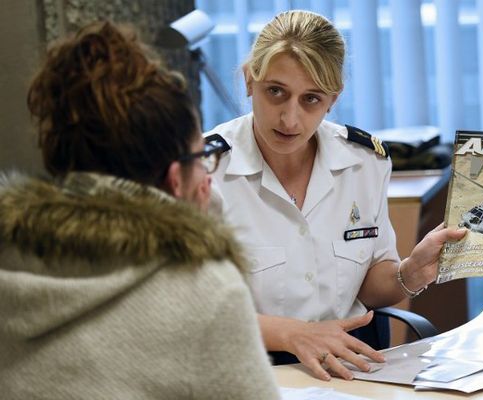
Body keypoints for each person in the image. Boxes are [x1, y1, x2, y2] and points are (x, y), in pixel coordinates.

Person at [0, 21, 280, 400]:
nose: (208, 177)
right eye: (201, 157)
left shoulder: (10, 259)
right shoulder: (205, 288)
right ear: (173, 177)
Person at [205, 10, 466, 381]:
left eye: (311, 99)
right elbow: (196, 310)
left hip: (346, 370)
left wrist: (410, 272)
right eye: (275, 92)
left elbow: (371, 287)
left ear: (332, 99)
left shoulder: (364, 161)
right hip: (249, 371)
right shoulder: (206, 172)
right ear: (250, 80)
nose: (290, 119)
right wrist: (292, 334)